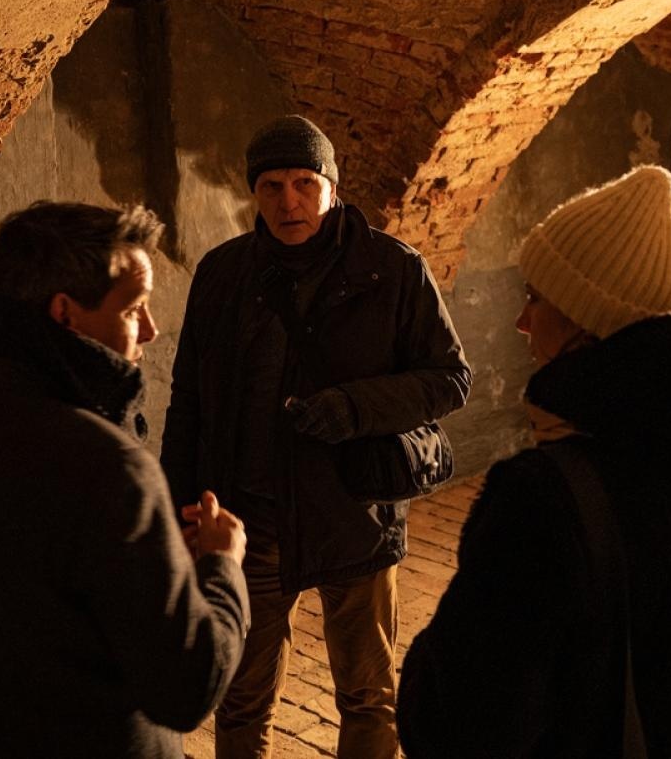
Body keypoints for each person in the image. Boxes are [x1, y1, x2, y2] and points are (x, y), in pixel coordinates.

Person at [398, 165, 671, 758]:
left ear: (584, 318)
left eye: (535, 298)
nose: (521, 321)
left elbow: (459, 723)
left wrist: (427, 661)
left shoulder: (545, 495)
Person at [0, 201, 250, 758]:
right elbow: (186, 688)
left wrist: (143, 563)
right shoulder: (111, 468)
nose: (151, 330)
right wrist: (221, 566)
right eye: (134, 308)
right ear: (65, 313)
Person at [162, 115, 470, 759]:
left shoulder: (392, 270)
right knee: (241, 699)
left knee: (367, 696)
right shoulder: (223, 274)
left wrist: (353, 408)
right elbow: (189, 396)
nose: (289, 202)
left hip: (353, 516)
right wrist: (177, 505)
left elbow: (449, 379)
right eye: (271, 186)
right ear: (253, 192)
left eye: (305, 183)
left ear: (332, 186)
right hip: (249, 521)